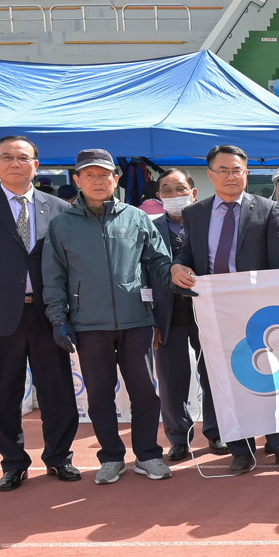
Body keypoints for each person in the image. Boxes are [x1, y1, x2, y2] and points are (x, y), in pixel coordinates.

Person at [0, 136, 81, 491]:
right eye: (6, 157)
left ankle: (59, 457)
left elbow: (69, 265)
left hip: (47, 313)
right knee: (2, 392)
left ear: (36, 165)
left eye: (22, 157)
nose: (14, 163)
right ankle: (12, 462)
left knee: (57, 390)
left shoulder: (59, 207)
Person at [41, 149, 172, 485]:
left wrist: (174, 277)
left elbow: (159, 260)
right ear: (77, 180)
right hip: (88, 324)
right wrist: (58, 318)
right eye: (89, 175)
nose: (97, 181)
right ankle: (111, 457)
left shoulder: (136, 217)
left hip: (136, 320)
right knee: (100, 395)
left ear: (116, 179)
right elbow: (53, 276)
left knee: (145, 392)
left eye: (104, 175)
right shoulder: (62, 224)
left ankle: (148, 454)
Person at [170, 143, 279, 475]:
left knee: (273, 378)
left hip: (260, 310)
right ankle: (241, 449)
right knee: (226, 381)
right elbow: (189, 253)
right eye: (223, 170)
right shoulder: (195, 213)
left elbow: (278, 263)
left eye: (237, 170)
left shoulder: (268, 209)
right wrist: (177, 266)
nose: (231, 176)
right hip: (214, 312)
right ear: (210, 175)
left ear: (247, 173)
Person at [150, 168, 203, 462]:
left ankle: (218, 432)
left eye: (180, 189)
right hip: (167, 315)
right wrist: (151, 319)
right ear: (159, 196)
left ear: (193, 193)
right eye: (167, 190)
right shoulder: (149, 228)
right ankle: (179, 438)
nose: (174, 195)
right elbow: (142, 274)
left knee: (214, 374)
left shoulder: (208, 223)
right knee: (171, 381)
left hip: (207, 312)